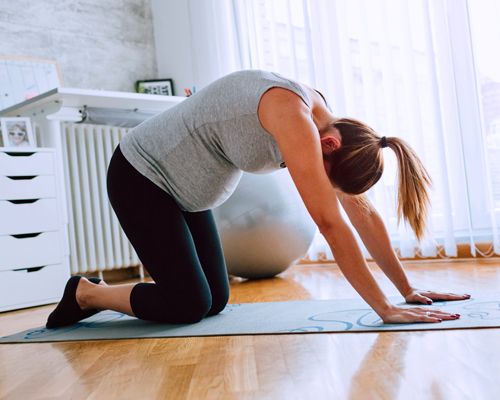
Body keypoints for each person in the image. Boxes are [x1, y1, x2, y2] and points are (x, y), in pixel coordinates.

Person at [46, 69, 469, 329]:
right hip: (142, 175)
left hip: (188, 196)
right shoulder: (294, 116)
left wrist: (406, 289)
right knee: (188, 303)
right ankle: (87, 293)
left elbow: (361, 215)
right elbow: (330, 223)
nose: (324, 185)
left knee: (214, 302)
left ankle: (110, 294)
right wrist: (383, 309)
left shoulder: (327, 127)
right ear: (330, 145)